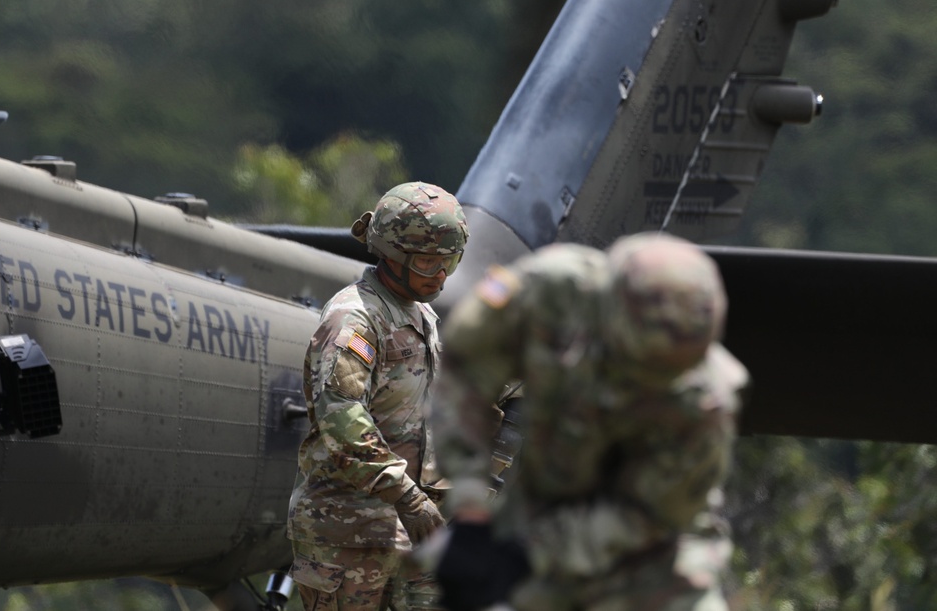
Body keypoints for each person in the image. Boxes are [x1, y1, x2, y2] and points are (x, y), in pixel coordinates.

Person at [429, 233, 748, 611]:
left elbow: (647, 517)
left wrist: (526, 554)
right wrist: (469, 505)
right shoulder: (549, 291)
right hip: (537, 510)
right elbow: (466, 369)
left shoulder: (708, 403)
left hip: (654, 555)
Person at [288, 181, 469, 611]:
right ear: (393, 256)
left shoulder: (421, 314)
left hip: (413, 534)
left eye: (450, 263)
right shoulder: (356, 319)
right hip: (349, 536)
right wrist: (409, 497)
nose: (440, 276)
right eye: (428, 263)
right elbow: (344, 424)